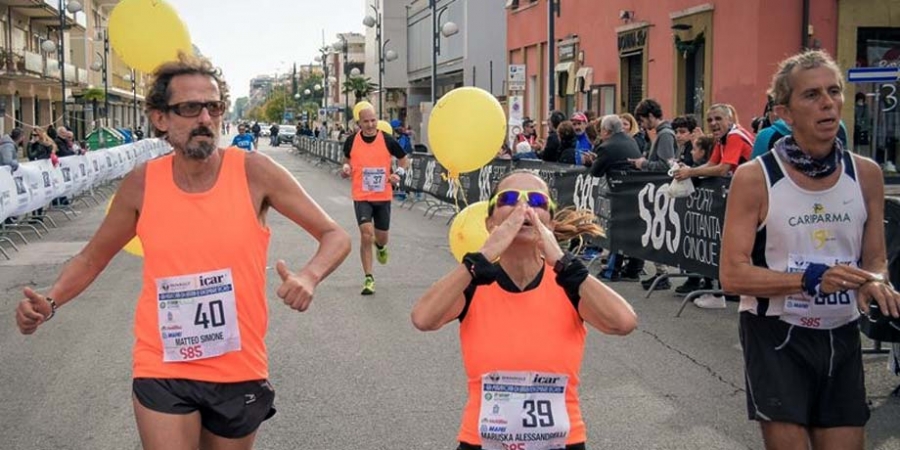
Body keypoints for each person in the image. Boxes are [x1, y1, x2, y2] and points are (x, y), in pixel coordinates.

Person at [15, 52, 352, 450]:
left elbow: (334, 235)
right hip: (162, 362)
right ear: (161, 118)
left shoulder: (254, 171)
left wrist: (309, 275)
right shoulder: (143, 183)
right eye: (190, 108)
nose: (205, 119)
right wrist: (50, 301)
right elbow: (92, 257)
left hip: (237, 365)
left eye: (213, 107)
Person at [720, 50, 900, 450]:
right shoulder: (755, 177)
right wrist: (809, 279)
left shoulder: (865, 173)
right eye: (812, 95)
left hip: (841, 333)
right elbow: (732, 274)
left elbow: (875, 259)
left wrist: (874, 282)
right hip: (776, 335)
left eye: (834, 91)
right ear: (785, 112)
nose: (827, 103)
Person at [411, 169, 637, 450]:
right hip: (483, 442)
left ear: (550, 223)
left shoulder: (568, 284)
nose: (524, 207)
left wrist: (566, 264)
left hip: (560, 442)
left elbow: (624, 322)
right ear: (491, 221)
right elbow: (423, 318)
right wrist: (477, 260)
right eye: (509, 198)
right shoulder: (474, 282)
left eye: (537, 202)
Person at [341, 106, 410, 295]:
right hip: (361, 196)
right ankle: (369, 278)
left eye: (373, 120)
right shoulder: (351, 141)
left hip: (383, 196)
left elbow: (404, 159)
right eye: (366, 121)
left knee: (381, 237)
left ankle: (380, 247)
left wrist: (398, 174)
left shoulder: (387, 140)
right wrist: (346, 168)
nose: (370, 125)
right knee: (366, 234)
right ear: (359, 123)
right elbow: (346, 160)